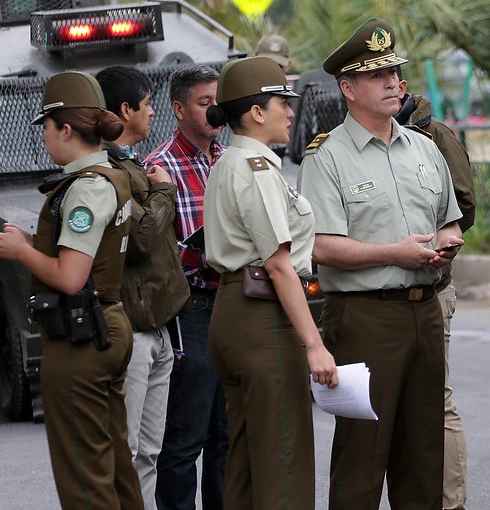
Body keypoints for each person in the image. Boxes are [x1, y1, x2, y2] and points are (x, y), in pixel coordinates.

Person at [298, 19, 464, 510]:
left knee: (423, 453)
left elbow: (451, 223)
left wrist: (446, 243)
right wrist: (395, 253)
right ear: (347, 88)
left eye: (395, 71)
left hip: (426, 311)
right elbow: (321, 247)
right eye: (378, 75)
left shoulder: (426, 149)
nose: (393, 82)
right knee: (362, 459)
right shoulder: (326, 158)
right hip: (365, 317)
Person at [0, 71, 142, 510]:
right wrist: (33, 245)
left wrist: (21, 253)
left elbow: (70, 277)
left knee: (85, 476)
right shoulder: (111, 174)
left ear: (66, 129)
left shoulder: (85, 188)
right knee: (115, 463)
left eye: (46, 128)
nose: (44, 137)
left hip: (81, 335)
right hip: (106, 322)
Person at [202, 56, 338, 508]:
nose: (291, 112)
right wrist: (314, 344)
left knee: (244, 459)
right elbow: (279, 265)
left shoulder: (228, 162)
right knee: (283, 459)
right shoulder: (257, 170)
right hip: (262, 315)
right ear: (256, 112)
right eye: (283, 102)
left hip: (233, 311)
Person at [96, 65, 190, 510]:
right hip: (130, 329)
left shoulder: (131, 165)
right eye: (148, 104)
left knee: (149, 451)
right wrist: (164, 192)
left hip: (158, 325)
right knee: (128, 450)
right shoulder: (106, 170)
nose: (152, 113)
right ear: (125, 109)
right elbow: (142, 238)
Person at [143, 65, 228, 510]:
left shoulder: (229, 158)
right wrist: (203, 250)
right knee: (185, 438)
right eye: (203, 102)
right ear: (177, 109)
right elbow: (153, 254)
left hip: (235, 302)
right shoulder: (159, 167)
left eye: (217, 99)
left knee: (227, 435)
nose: (215, 109)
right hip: (191, 308)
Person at [396, 90, 476, 510]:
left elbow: (464, 206)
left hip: (432, 283)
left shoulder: (436, 137)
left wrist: (439, 235)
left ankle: (450, 502)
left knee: (437, 401)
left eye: (391, 75)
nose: (388, 86)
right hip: (379, 294)